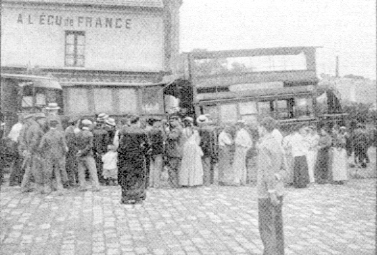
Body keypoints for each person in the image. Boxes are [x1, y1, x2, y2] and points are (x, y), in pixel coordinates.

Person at [257, 117, 286, 255]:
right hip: (279, 191)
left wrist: (271, 191)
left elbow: (266, 171)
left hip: (266, 194)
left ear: (263, 127)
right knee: (278, 227)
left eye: (259, 127)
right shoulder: (278, 144)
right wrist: (277, 177)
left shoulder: (263, 146)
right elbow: (285, 169)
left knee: (266, 228)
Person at [117, 116, 150, 204]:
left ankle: (125, 197)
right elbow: (148, 145)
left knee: (126, 176)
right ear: (138, 121)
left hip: (125, 157)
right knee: (138, 176)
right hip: (137, 156)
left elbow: (120, 145)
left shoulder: (122, 131)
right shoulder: (142, 132)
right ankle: (138, 196)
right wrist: (143, 152)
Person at [39, 118, 68, 194]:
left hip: (48, 156)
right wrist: (63, 154)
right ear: (56, 126)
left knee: (48, 172)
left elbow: (41, 147)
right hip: (58, 156)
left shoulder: (46, 135)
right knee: (57, 171)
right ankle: (59, 187)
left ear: (49, 126)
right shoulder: (60, 134)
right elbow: (65, 147)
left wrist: (44, 154)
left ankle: (47, 188)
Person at [21, 113, 47, 193]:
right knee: (37, 170)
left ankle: (24, 187)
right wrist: (32, 151)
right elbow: (34, 141)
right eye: (43, 119)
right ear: (38, 120)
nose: (44, 121)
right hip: (35, 152)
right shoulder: (36, 127)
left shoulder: (33, 126)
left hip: (31, 151)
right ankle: (39, 188)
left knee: (29, 169)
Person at [76, 119, 100, 192]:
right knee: (92, 171)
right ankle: (95, 186)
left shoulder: (78, 134)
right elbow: (90, 146)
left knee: (81, 172)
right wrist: (83, 151)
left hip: (79, 155)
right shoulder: (89, 134)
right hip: (88, 155)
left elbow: (76, 144)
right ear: (88, 125)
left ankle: (82, 186)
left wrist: (79, 152)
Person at [179, 117, 203, 187]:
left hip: (186, 147)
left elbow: (181, 141)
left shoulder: (183, 131)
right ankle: (194, 181)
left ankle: (186, 181)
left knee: (186, 164)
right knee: (194, 164)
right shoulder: (195, 131)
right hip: (194, 147)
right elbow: (198, 140)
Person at [197, 115, 217, 186]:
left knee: (205, 166)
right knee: (210, 166)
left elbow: (203, 141)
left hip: (205, 150)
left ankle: (206, 182)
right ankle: (211, 180)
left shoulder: (202, 130)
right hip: (212, 149)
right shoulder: (212, 129)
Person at [165, 114, 184, 188]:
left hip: (174, 151)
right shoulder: (178, 128)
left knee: (172, 168)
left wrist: (167, 131)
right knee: (177, 168)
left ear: (177, 121)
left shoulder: (176, 129)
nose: (170, 123)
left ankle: (174, 184)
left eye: (172, 121)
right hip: (177, 151)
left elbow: (172, 137)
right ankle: (178, 183)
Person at [289, 124, 310, 188]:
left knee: (297, 170)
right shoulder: (300, 137)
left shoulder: (293, 137)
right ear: (299, 130)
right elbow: (302, 146)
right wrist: (305, 151)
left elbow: (291, 145)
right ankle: (302, 183)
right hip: (301, 154)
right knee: (302, 169)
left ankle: (297, 183)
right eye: (303, 129)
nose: (304, 131)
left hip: (295, 155)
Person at [233, 120, 252, 186]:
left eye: (237, 125)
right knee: (243, 165)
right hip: (244, 149)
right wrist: (246, 148)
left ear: (239, 126)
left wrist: (243, 146)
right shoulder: (245, 133)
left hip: (240, 148)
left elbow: (237, 142)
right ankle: (243, 180)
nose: (236, 127)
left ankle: (237, 180)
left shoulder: (240, 133)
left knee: (238, 165)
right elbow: (250, 143)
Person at [92, 114, 110, 184]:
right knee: (104, 165)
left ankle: (99, 178)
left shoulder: (93, 132)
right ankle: (104, 179)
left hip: (95, 151)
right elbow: (106, 142)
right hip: (102, 151)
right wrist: (104, 151)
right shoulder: (105, 132)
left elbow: (92, 142)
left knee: (97, 165)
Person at [8, 114, 24, 186]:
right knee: (20, 163)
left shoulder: (15, 126)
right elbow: (20, 139)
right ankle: (19, 181)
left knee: (14, 163)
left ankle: (12, 180)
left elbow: (10, 136)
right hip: (18, 145)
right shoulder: (22, 127)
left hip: (13, 145)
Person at [148, 117, 164, 188]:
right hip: (158, 151)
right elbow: (163, 141)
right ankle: (156, 184)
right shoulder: (159, 132)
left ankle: (150, 183)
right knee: (157, 168)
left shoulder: (148, 131)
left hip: (150, 151)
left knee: (151, 168)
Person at [64, 117, 80, 187]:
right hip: (73, 150)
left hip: (69, 150)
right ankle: (73, 182)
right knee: (73, 166)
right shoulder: (75, 130)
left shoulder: (67, 129)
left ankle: (71, 181)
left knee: (70, 165)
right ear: (76, 123)